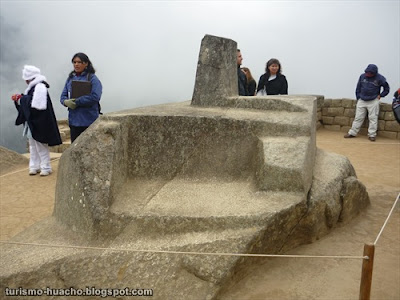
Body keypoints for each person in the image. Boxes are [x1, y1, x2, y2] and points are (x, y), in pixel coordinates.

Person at [11, 65, 62, 176]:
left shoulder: (39, 87)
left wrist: (21, 98)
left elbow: (38, 105)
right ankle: (34, 166)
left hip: (40, 122)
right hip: (34, 122)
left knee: (40, 146)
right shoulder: (34, 87)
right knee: (33, 146)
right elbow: (30, 101)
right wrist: (21, 98)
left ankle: (46, 167)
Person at [60, 52, 102, 142]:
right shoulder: (70, 78)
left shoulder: (92, 79)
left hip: (88, 121)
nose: (76, 64)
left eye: (79, 62)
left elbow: (95, 97)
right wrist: (65, 102)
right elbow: (63, 96)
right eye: (74, 62)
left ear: (86, 63)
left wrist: (77, 102)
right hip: (73, 121)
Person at [344, 64, 390, 141]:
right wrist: (358, 97)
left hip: (373, 100)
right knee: (358, 118)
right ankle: (352, 132)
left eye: (369, 73)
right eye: (367, 72)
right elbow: (358, 88)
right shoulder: (362, 76)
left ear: (374, 73)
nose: (367, 74)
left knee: (373, 118)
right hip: (362, 100)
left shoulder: (380, 78)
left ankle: (372, 135)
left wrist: (381, 95)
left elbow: (386, 88)